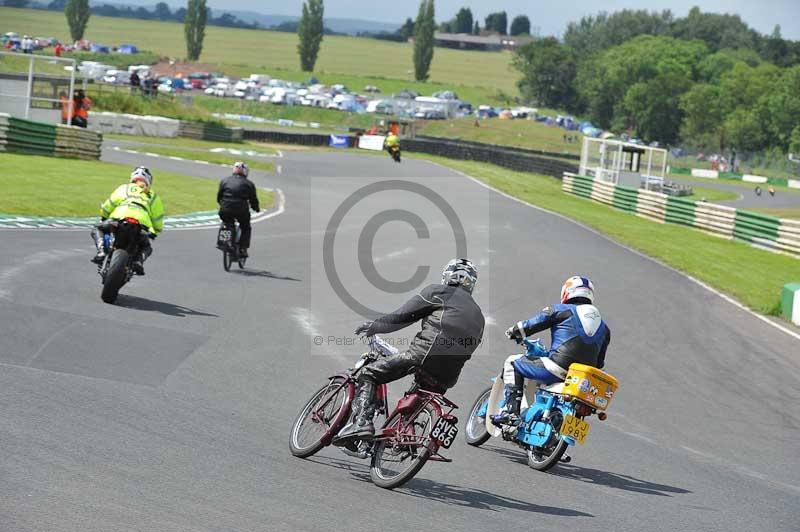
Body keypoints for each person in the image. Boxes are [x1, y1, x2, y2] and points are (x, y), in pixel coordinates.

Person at [335, 259, 485, 442]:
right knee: (417, 394)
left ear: (447, 276)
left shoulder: (439, 292)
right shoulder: (479, 315)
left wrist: (375, 326)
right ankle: (401, 435)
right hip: (449, 376)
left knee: (368, 374)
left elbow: (404, 316)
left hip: (423, 355)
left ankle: (361, 423)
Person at [492, 276, 611, 426]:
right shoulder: (605, 328)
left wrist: (515, 331)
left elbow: (532, 325)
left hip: (557, 367)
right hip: (581, 379)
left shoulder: (561, 309)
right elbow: (599, 363)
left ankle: (511, 413)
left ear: (568, 292)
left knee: (512, 362)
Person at [91, 167, 164, 275]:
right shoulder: (153, 196)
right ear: (149, 181)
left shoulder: (124, 188)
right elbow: (157, 220)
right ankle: (138, 261)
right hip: (141, 226)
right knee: (146, 246)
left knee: (97, 228)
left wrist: (104, 216)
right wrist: (154, 232)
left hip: (119, 219)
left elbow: (108, 205)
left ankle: (101, 251)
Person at [217, 162, 260, 258]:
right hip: (241, 210)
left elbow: (219, 196)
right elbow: (253, 199)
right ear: (245, 172)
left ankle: (223, 242)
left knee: (227, 222)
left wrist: (222, 205)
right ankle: (243, 248)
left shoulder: (224, 181)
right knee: (246, 226)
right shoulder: (249, 184)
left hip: (225, 209)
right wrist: (256, 208)